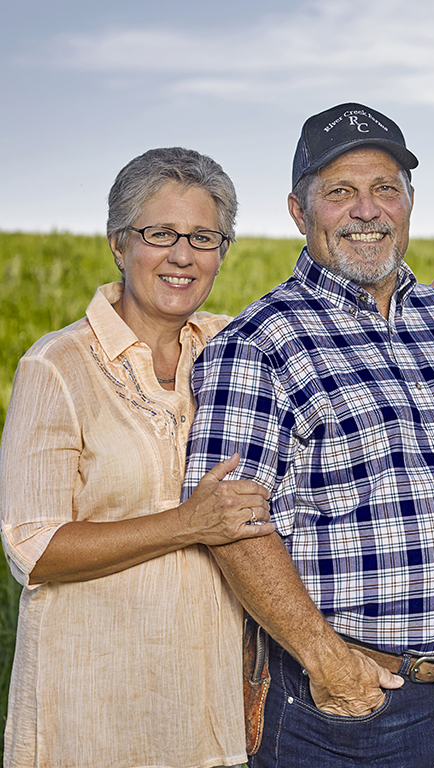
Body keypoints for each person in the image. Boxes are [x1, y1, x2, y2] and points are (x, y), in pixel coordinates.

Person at [182, 102, 434, 768]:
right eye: (340, 193)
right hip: (341, 712)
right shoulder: (260, 343)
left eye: (385, 188)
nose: (367, 210)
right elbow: (231, 526)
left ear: (409, 202)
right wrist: (325, 660)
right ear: (300, 214)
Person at [0, 147, 275, 767]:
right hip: (91, 716)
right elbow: (31, 548)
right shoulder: (57, 367)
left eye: (204, 237)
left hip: (208, 721)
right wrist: (188, 524)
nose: (183, 255)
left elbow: (330, 352)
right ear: (119, 244)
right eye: (160, 233)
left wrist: (417, 312)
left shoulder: (234, 349)